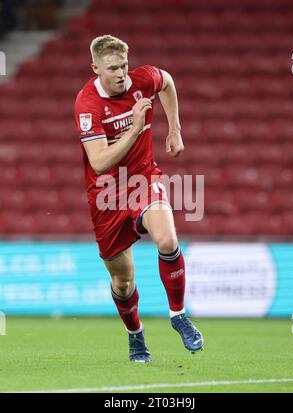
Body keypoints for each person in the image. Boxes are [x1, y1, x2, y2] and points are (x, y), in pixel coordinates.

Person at [74, 34, 204, 362]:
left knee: (167, 240)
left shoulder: (142, 79)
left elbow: (168, 82)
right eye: (112, 68)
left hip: (144, 179)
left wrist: (174, 129)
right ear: (95, 68)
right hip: (106, 194)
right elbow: (100, 162)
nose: (121, 73)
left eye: (124, 66)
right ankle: (136, 336)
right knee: (122, 282)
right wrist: (134, 127)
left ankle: (179, 316)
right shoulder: (87, 103)